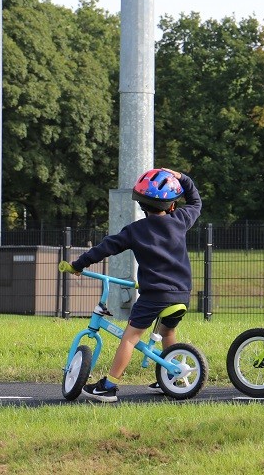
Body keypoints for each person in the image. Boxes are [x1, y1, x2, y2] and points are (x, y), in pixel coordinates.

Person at [59, 167, 202, 403]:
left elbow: (104, 248)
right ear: (173, 205)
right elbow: (195, 201)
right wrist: (182, 177)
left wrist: (78, 265)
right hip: (181, 295)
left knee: (130, 337)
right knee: (167, 331)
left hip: (154, 295)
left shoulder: (135, 231)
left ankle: (109, 386)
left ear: (141, 205)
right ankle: (171, 375)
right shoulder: (181, 220)